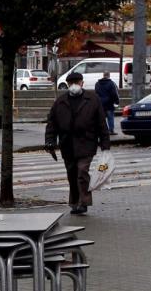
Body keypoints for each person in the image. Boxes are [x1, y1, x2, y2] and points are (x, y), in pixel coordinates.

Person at [45, 71, 110, 215]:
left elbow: (101, 123)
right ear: (68, 84)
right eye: (71, 83)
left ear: (82, 83)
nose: (74, 85)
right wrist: (50, 141)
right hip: (67, 144)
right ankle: (74, 202)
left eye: (77, 82)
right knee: (72, 174)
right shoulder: (60, 102)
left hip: (86, 143)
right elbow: (52, 124)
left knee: (82, 172)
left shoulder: (93, 100)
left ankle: (84, 202)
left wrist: (105, 146)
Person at [94, 70, 119, 135]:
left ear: (103, 75)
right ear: (109, 75)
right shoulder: (111, 83)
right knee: (110, 117)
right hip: (109, 103)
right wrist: (116, 101)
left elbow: (96, 93)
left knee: (102, 118)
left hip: (100, 103)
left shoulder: (97, 83)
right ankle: (111, 131)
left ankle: (102, 131)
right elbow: (114, 94)